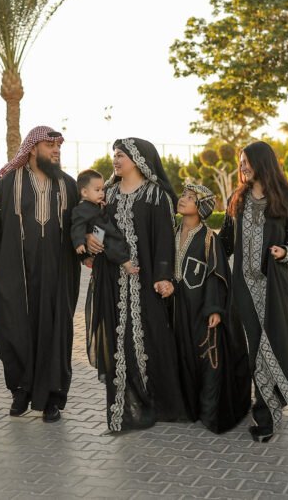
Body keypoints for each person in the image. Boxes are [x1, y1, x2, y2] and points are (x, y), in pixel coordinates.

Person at [0, 126, 81, 423]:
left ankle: (52, 400)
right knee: (12, 330)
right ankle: (21, 391)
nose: (56, 150)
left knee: (54, 334)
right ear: (32, 149)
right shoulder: (8, 184)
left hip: (58, 277)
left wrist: (90, 249)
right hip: (13, 273)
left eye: (59, 146)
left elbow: (84, 224)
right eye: (50, 145)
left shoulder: (69, 186)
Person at [85, 137, 186, 432]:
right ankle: (122, 410)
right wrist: (92, 243)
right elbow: (98, 227)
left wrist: (164, 276)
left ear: (139, 159)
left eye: (121, 155)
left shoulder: (156, 196)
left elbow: (165, 241)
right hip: (112, 279)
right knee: (117, 340)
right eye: (114, 155)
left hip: (146, 281)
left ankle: (154, 402)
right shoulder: (110, 194)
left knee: (149, 338)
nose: (116, 160)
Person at [219, 141, 288, 442]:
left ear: (263, 163)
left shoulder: (285, 198)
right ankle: (264, 407)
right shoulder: (238, 199)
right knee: (253, 344)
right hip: (244, 289)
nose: (242, 167)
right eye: (240, 162)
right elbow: (226, 243)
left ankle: (268, 411)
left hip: (273, 287)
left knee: (269, 345)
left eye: (247, 161)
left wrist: (284, 251)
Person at [170, 183, 251, 433]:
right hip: (173, 307)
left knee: (202, 359)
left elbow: (216, 276)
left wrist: (214, 309)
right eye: (183, 195)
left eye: (190, 197)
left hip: (199, 310)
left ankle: (206, 411)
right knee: (178, 355)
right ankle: (183, 408)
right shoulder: (171, 230)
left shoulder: (208, 238)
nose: (183, 199)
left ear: (201, 207)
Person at [70, 168, 132, 273]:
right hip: (99, 234)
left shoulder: (94, 204)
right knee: (112, 243)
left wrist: (101, 207)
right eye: (97, 190)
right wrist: (79, 243)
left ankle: (125, 260)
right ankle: (126, 263)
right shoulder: (81, 209)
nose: (102, 193)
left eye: (102, 189)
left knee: (115, 240)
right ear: (84, 192)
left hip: (102, 231)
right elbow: (77, 226)